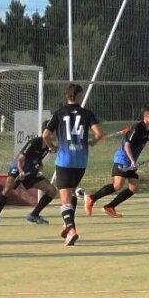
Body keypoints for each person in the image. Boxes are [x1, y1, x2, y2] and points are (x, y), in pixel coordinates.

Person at [42, 84, 104, 246]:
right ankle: (67, 223)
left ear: (67, 96)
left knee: (64, 199)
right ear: (79, 96)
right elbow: (99, 134)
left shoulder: (59, 113)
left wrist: (52, 147)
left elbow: (46, 135)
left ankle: (71, 229)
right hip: (81, 161)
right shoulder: (87, 114)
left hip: (64, 160)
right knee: (72, 193)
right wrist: (93, 142)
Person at [85, 105, 149, 218]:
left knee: (134, 187)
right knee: (117, 185)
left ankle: (110, 207)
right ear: (146, 115)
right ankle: (91, 198)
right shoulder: (138, 128)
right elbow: (127, 145)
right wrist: (132, 161)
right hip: (122, 158)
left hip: (131, 162)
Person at [0, 122, 57, 226]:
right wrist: (21, 171)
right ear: (46, 132)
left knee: (52, 191)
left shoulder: (47, 147)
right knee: (7, 189)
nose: (55, 133)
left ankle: (34, 215)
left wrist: (39, 164)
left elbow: (36, 158)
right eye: (53, 131)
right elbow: (20, 158)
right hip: (18, 167)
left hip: (30, 172)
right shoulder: (34, 142)